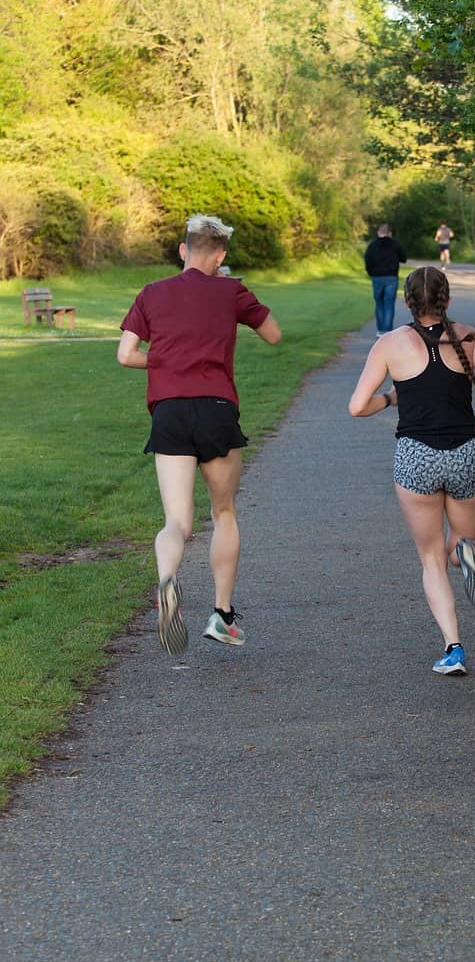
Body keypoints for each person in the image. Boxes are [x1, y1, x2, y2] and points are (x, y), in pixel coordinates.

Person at [117, 214, 282, 655]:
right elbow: (273, 335)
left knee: (177, 522)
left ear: (182, 250)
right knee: (223, 512)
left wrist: (168, 361)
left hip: (168, 412)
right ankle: (223, 616)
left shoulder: (152, 293)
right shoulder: (231, 291)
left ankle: (168, 581)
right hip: (216, 409)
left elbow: (125, 354)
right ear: (222, 256)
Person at [348, 265, 475, 676]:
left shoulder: (389, 344)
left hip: (416, 456)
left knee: (429, 558)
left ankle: (453, 647)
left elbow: (356, 407)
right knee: (462, 541)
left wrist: (390, 398)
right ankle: (466, 551)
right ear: (447, 301)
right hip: (466, 451)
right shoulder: (469, 337)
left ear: (406, 302)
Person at [365, 223, 407, 335]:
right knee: (389, 304)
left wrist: (370, 272)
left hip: (377, 277)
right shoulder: (395, 244)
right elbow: (404, 258)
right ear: (390, 233)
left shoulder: (373, 245)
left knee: (379, 303)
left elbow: (368, 260)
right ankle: (388, 330)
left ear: (379, 232)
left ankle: (380, 329)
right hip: (391, 277)